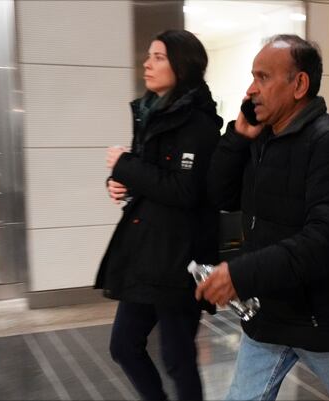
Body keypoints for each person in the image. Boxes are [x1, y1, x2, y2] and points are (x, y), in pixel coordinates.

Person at [196, 34, 329, 401]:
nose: (251, 89)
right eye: (253, 77)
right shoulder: (261, 140)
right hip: (270, 315)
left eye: (263, 77)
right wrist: (237, 137)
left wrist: (241, 275)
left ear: (299, 85)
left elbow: (328, 242)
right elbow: (219, 194)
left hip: (323, 323)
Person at [95, 29, 222, 401]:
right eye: (148, 56)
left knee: (178, 359)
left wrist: (126, 166)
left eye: (158, 57)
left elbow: (183, 190)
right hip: (145, 255)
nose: (147, 64)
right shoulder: (152, 113)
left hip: (180, 258)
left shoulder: (198, 125)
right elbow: (150, 177)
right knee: (123, 346)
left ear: (181, 66)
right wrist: (118, 183)